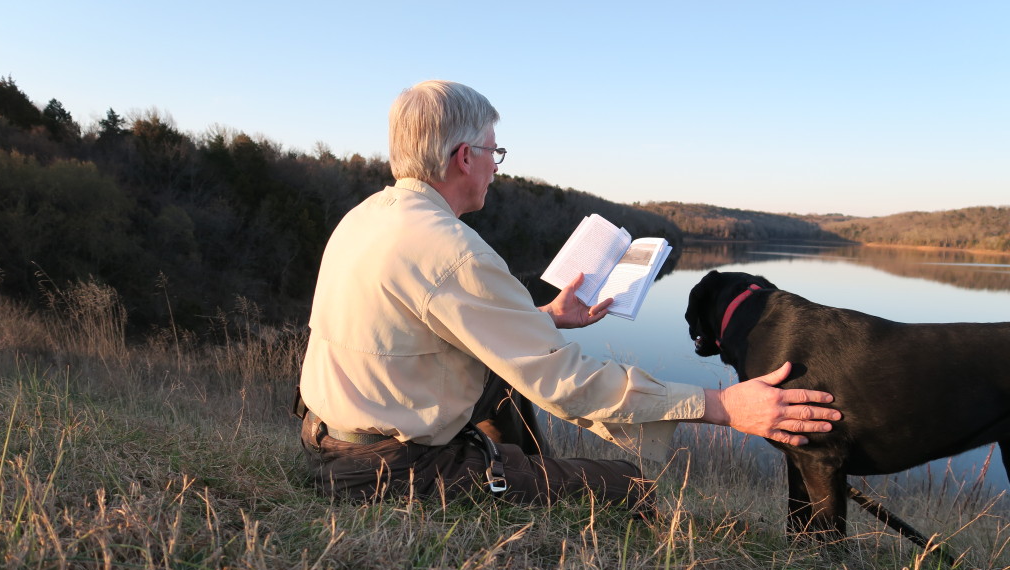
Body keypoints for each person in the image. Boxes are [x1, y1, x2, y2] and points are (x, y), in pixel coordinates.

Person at [296, 80, 840, 511]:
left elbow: (424, 328)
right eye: (494, 151)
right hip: (385, 470)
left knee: (507, 378)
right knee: (630, 489)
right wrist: (721, 405)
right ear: (465, 157)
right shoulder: (455, 253)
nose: (496, 167)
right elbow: (566, 385)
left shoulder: (365, 217)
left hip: (326, 439)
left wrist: (545, 318)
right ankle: (528, 489)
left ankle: (524, 471)